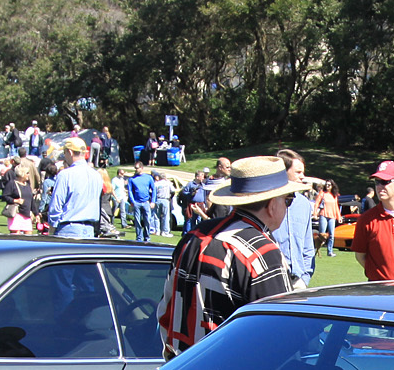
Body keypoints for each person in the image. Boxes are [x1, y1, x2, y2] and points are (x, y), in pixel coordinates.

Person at [157, 155, 301, 356]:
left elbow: (165, 312)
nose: (287, 207)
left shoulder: (193, 236)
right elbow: (284, 335)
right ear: (271, 204)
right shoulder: (262, 251)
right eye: (288, 200)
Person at [45, 139, 104, 239]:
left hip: (68, 229)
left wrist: (51, 231)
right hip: (89, 230)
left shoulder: (65, 175)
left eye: (64, 153)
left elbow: (56, 207)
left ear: (70, 152)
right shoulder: (97, 175)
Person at [275, 148, 316, 288]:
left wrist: (304, 278)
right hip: (272, 280)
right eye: (298, 172)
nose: (302, 177)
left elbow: (308, 246)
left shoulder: (303, 204)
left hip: (298, 281)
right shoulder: (267, 204)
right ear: (283, 172)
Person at [125, 162, 157, 241]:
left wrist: (153, 201)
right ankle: (139, 237)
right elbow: (130, 191)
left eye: (137, 168)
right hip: (137, 202)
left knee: (147, 220)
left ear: (142, 168)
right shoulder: (132, 179)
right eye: (135, 168)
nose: (136, 170)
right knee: (137, 221)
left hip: (146, 202)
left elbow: (154, 190)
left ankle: (147, 237)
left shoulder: (148, 178)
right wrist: (132, 201)